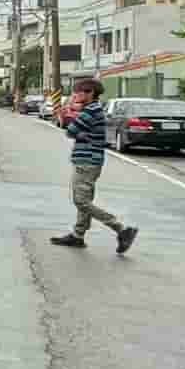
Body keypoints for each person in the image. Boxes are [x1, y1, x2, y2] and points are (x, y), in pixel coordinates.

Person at [50, 77, 139, 254]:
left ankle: (121, 228)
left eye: (79, 92)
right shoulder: (92, 109)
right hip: (91, 160)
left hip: (87, 161)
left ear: (90, 93)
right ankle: (78, 235)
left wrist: (71, 123)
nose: (75, 95)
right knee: (85, 199)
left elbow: (71, 131)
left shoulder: (90, 111)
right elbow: (77, 131)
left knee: (81, 201)